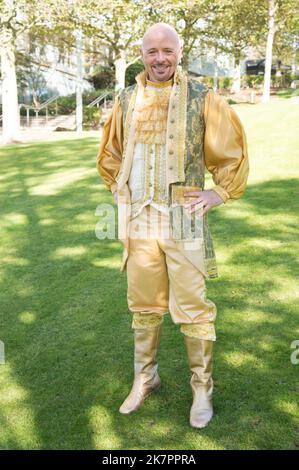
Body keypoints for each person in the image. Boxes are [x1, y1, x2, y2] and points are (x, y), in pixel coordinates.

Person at [96, 23, 249, 429]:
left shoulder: (203, 98)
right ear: (141, 55)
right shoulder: (127, 99)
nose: (160, 58)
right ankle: (145, 378)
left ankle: (203, 389)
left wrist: (219, 192)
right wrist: (117, 185)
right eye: (152, 51)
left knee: (193, 307)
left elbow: (230, 155)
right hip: (140, 220)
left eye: (167, 50)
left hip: (184, 216)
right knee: (143, 304)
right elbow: (111, 151)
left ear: (179, 52)